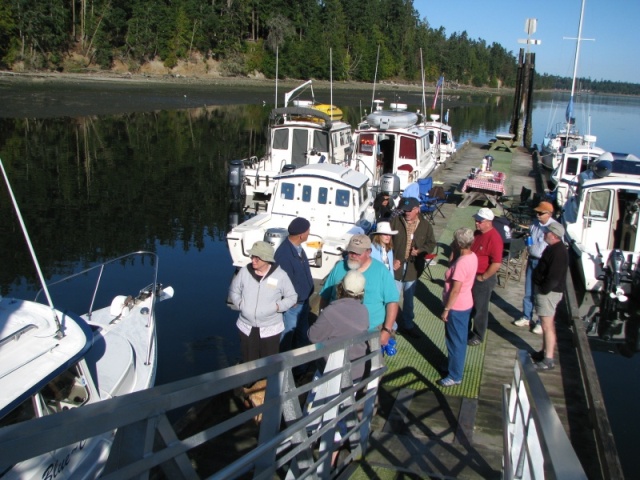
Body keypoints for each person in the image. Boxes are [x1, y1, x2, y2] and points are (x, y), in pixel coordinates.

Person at [319, 234, 399, 347]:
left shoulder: (381, 271)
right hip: (337, 331)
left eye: (358, 253)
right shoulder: (339, 267)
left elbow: (392, 302)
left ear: (369, 252)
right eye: (351, 252)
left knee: (368, 364)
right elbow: (325, 296)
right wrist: (322, 320)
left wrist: (386, 330)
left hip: (370, 332)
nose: (353, 256)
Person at [228, 241, 297, 363]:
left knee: (269, 362)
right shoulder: (244, 272)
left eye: (257, 258)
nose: (253, 260)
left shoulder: (280, 275)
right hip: (246, 327)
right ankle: (249, 381)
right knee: (248, 361)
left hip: (270, 327)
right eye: (252, 256)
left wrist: (277, 307)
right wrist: (240, 304)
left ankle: (267, 382)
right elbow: (234, 290)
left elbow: (292, 297)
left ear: (266, 259)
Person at [309, 270, 369, 382]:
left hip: (330, 372)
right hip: (355, 372)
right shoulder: (363, 311)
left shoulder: (331, 311)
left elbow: (312, 336)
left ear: (340, 287)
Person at [390, 197, 437, 338]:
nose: (406, 213)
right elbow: (385, 242)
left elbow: (431, 243)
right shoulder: (395, 221)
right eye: (404, 210)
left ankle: (408, 325)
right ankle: (391, 327)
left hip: (413, 268)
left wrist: (421, 250)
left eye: (409, 210)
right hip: (396, 267)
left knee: (409, 299)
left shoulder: (425, 225)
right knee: (393, 299)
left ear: (417, 209)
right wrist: (392, 259)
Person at [439, 227, 478, 387]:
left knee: (455, 341)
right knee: (458, 339)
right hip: (466, 302)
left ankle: (455, 375)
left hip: (457, 306)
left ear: (458, 242)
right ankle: (453, 366)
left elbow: (455, 289)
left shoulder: (462, 264)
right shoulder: (472, 256)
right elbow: (451, 263)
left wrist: (446, 309)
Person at [512, 201, 558, 335]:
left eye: (540, 213)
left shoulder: (553, 227)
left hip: (543, 262)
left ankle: (540, 322)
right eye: (537, 212)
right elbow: (531, 238)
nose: (537, 215)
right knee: (528, 291)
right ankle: (526, 316)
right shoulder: (534, 224)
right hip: (532, 259)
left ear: (549, 214)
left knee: (541, 293)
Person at [531, 222, 569, 371]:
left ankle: (549, 359)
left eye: (547, 232)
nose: (544, 234)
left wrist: (542, 289)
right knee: (548, 323)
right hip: (547, 292)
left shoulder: (558, 252)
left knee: (547, 326)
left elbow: (553, 278)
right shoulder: (554, 248)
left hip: (548, 294)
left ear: (553, 235)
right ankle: (544, 351)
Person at [275, 217, 315, 353]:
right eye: (308, 230)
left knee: (303, 335)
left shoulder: (297, 248)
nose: (309, 233)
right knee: (287, 336)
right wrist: (290, 301)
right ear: (301, 235)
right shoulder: (284, 255)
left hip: (303, 301)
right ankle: (281, 366)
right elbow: (282, 282)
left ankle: (300, 368)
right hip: (294, 305)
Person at [468, 207, 503, 346]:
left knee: (480, 308)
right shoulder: (477, 233)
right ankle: (467, 328)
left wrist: (483, 277)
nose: (477, 223)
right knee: (470, 305)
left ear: (488, 222)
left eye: (480, 221)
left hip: (483, 278)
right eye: (476, 220)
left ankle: (478, 334)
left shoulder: (494, 238)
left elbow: (496, 263)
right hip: (472, 275)